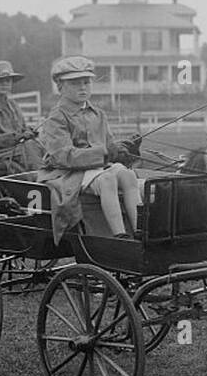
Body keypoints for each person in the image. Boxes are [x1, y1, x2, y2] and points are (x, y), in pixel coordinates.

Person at [36, 56, 143, 242]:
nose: (83, 87)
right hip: (67, 173)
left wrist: (122, 149)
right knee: (108, 179)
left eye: (86, 82)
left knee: (128, 175)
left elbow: (109, 146)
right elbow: (64, 156)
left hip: (96, 169)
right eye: (75, 83)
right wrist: (104, 153)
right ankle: (120, 236)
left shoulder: (98, 114)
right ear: (60, 86)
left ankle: (140, 230)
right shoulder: (57, 117)